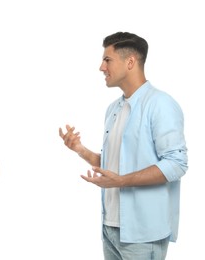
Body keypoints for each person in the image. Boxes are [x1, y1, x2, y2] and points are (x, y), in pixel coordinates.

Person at [59, 32, 188, 260]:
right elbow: (114, 163)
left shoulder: (161, 104)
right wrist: (80, 149)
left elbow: (176, 164)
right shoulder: (113, 109)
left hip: (142, 235)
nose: (101, 67)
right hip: (110, 228)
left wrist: (120, 181)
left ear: (130, 62)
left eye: (107, 60)